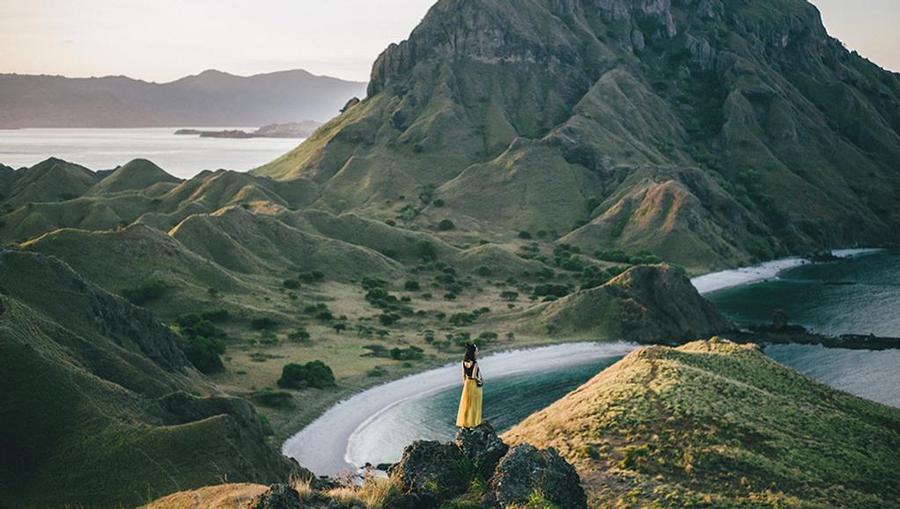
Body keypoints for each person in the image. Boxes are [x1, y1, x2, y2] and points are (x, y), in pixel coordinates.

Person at [456, 343, 483, 428]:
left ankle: (465, 422)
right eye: (476, 350)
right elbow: (474, 376)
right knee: (475, 403)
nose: (477, 351)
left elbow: (464, 375)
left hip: (467, 383)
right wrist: (480, 381)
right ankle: (474, 422)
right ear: (473, 352)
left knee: (467, 403)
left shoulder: (464, 362)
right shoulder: (475, 363)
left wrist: (465, 384)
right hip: (473, 384)